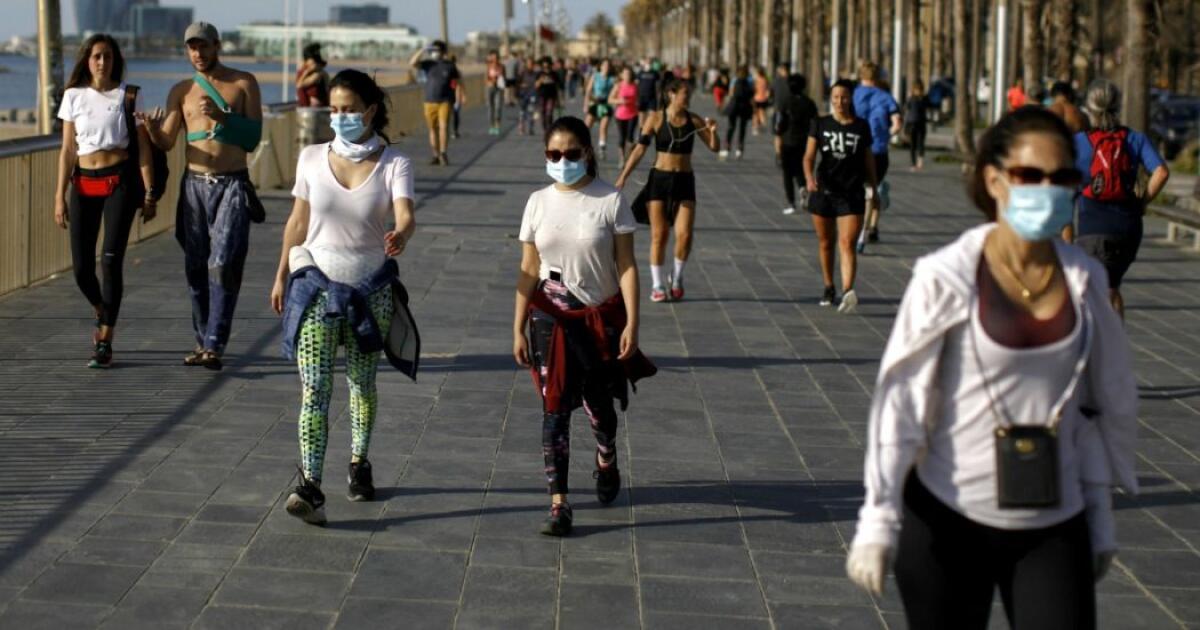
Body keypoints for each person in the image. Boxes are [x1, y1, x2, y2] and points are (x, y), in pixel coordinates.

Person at [846, 106, 1138, 629]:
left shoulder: (1086, 280)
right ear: (995, 180)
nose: (1046, 190)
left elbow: (1097, 406)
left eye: (1062, 177)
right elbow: (902, 403)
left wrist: (1100, 515)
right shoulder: (945, 277)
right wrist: (878, 519)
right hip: (947, 518)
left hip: (1054, 519)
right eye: (1030, 176)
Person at [271, 69, 419, 526]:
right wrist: (280, 275)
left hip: (369, 290)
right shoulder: (312, 158)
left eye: (350, 109)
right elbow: (297, 222)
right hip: (315, 287)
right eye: (334, 109)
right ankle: (310, 484)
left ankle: (359, 462)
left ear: (370, 110)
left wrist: (401, 235)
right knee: (314, 388)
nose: (340, 117)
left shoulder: (396, 162)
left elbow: (406, 214)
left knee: (361, 382)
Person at [513, 115, 654, 536]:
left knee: (598, 406)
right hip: (550, 316)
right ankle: (559, 503)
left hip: (599, 318)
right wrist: (517, 325)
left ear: (587, 153)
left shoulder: (610, 200)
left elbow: (626, 265)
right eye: (553, 154)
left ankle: (606, 456)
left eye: (571, 154)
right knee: (553, 408)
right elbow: (527, 268)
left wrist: (633, 322)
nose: (562, 161)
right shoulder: (537, 201)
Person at [141, 22, 263, 371]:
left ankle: (214, 344)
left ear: (216, 45)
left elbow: (253, 138)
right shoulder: (181, 90)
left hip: (232, 184)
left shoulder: (244, 83)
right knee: (196, 267)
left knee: (223, 265)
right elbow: (167, 141)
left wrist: (224, 117)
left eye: (203, 46)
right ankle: (202, 340)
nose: (198, 53)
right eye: (191, 47)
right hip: (193, 184)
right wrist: (151, 130)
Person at [54, 33, 157, 368]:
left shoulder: (129, 95)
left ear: (115, 61)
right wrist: (59, 196)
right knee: (82, 268)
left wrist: (150, 190)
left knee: (110, 260)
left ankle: (105, 340)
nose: (102, 62)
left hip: (119, 185)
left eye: (108, 57)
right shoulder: (73, 96)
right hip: (82, 184)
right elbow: (68, 149)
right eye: (97, 56)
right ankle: (102, 307)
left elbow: (142, 148)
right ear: (87, 59)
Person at [615, 79, 720, 303]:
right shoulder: (655, 118)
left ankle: (677, 278)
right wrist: (624, 176)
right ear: (671, 94)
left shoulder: (693, 120)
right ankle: (657, 284)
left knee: (685, 235)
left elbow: (714, 147)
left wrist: (713, 132)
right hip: (659, 180)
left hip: (684, 181)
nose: (688, 98)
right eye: (684, 94)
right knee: (659, 235)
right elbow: (639, 150)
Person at [1074, 79, 1170, 319]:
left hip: (1093, 228)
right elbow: (1161, 172)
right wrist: (1143, 201)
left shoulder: (1079, 142)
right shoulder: (1135, 139)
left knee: (1092, 292)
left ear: (1089, 108)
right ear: (1119, 106)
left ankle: (1098, 347)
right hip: (1128, 228)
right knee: (1112, 287)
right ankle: (1115, 344)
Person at [803, 79, 880, 313]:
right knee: (826, 242)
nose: (839, 101)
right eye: (835, 97)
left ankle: (848, 290)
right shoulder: (820, 124)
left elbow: (868, 160)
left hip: (852, 192)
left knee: (847, 242)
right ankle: (829, 286)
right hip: (824, 191)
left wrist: (874, 189)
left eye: (844, 97)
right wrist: (808, 178)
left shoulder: (861, 127)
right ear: (831, 98)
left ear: (851, 98)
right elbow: (808, 156)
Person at [853, 62, 901, 247]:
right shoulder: (886, 98)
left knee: (855, 190)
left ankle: (856, 228)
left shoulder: (853, 95)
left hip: (855, 149)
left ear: (861, 76)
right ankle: (865, 232)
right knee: (870, 191)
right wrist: (886, 136)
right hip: (878, 150)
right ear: (877, 77)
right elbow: (897, 123)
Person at [408, 40, 462, 166]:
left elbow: (456, 82)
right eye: (433, 50)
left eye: (437, 50)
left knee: (443, 126)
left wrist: (457, 96)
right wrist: (423, 50)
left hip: (445, 101)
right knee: (432, 129)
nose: (434, 52)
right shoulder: (428, 64)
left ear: (443, 51)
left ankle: (443, 152)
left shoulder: (450, 66)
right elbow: (412, 63)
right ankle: (435, 154)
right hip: (429, 101)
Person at [775, 73, 818, 216]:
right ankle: (802, 188)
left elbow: (780, 124)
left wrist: (778, 135)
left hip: (788, 141)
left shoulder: (785, 102)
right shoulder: (809, 103)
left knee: (787, 173)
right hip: (805, 141)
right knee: (801, 168)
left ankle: (791, 203)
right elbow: (815, 122)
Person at [583, 59, 616, 160]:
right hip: (595, 103)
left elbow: (616, 91)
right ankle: (586, 148)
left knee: (603, 127)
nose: (606, 67)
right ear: (600, 66)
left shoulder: (612, 79)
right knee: (586, 127)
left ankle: (602, 148)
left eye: (608, 66)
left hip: (606, 105)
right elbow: (588, 90)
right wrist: (585, 104)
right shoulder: (595, 76)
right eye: (604, 65)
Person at [720, 66, 754, 161]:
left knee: (731, 127)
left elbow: (731, 93)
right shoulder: (750, 80)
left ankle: (727, 147)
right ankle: (739, 149)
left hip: (734, 106)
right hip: (745, 106)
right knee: (742, 128)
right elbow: (752, 93)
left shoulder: (735, 79)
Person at [609, 67, 641, 166]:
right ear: (622, 75)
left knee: (630, 138)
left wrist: (638, 103)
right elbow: (610, 99)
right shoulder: (618, 85)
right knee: (622, 138)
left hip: (633, 114)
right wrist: (619, 101)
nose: (628, 76)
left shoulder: (635, 85)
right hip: (620, 115)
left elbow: (639, 98)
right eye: (625, 74)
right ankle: (622, 158)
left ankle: (629, 156)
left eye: (629, 74)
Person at [903, 79, 930, 171]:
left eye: (920, 89)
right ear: (913, 90)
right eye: (916, 89)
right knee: (913, 145)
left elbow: (929, 106)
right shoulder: (911, 99)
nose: (918, 91)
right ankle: (913, 163)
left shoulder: (924, 99)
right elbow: (907, 111)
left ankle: (919, 162)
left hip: (920, 124)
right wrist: (906, 127)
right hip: (912, 123)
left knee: (920, 144)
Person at [296, 43, 330, 107]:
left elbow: (299, 85)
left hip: (317, 107)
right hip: (307, 107)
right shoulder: (303, 71)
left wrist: (306, 72)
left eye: (313, 63)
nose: (311, 66)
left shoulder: (319, 74)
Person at [535, 57, 562, 134]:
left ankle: (549, 129)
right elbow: (536, 85)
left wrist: (553, 80)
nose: (546, 67)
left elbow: (559, 85)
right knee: (542, 113)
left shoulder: (554, 74)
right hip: (542, 95)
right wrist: (540, 80)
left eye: (547, 65)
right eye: (544, 65)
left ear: (550, 65)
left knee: (549, 113)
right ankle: (545, 129)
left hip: (551, 96)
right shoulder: (539, 74)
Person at [485, 49, 505, 135]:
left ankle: (497, 126)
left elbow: (504, 78)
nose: (495, 59)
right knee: (490, 107)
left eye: (496, 58)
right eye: (493, 58)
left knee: (498, 107)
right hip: (490, 88)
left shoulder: (502, 67)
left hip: (499, 88)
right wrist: (490, 81)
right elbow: (485, 79)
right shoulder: (488, 66)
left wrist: (500, 77)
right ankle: (491, 126)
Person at [517, 57, 540, 136]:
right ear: (526, 65)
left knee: (531, 112)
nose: (530, 66)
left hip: (532, 95)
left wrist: (538, 84)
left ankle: (531, 128)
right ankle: (521, 127)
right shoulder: (522, 73)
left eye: (531, 64)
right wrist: (521, 85)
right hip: (523, 95)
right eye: (529, 64)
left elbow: (538, 83)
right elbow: (517, 84)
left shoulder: (536, 74)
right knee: (522, 112)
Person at [752, 66, 771, 135]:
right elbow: (768, 90)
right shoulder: (766, 80)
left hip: (756, 98)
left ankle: (756, 128)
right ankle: (764, 125)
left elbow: (754, 89)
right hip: (764, 98)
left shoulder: (756, 80)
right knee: (762, 113)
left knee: (755, 114)